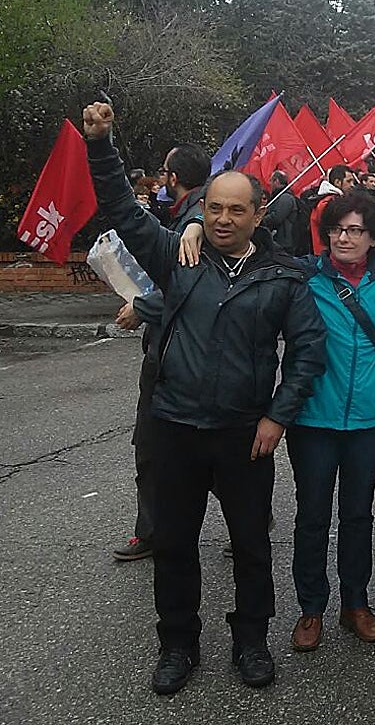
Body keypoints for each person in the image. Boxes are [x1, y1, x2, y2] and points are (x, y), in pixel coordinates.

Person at [83, 102, 326, 694]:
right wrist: (101, 144)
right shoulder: (178, 258)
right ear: (203, 209)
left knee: (251, 546)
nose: (222, 218)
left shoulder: (283, 276)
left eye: (236, 209)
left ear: (257, 214)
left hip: (244, 434)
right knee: (174, 545)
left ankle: (251, 642)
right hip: (175, 426)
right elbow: (122, 211)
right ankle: (177, 645)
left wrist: (277, 417)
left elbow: (308, 351)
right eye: (214, 207)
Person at [287, 192, 375, 653]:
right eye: (337, 229)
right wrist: (195, 227)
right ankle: (311, 607)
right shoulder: (305, 278)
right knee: (312, 515)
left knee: (357, 514)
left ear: (372, 237)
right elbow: (250, 254)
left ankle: (355, 603)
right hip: (313, 416)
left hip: (369, 420)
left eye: (355, 230)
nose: (344, 238)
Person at [113, 143, 212, 562]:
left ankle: (154, 531)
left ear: (174, 178)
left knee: (155, 447)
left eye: (165, 171)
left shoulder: (199, 220)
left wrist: (143, 306)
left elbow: (191, 286)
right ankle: (250, 515)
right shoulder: (190, 216)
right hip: (177, 348)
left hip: (174, 351)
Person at [309, 165, 357, 253]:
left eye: (353, 181)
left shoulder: (331, 200)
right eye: (349, 181)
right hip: (328, 254)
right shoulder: (327, 203)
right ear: (337, 182)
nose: (352, 185)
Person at [262, 170, 299, 255]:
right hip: (279, 240)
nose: (270, 184)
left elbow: (276, 217)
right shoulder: (278, 197)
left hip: (284, 243)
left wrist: (261, 220)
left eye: (271, 181)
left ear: (277, 181)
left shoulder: (285, 198)